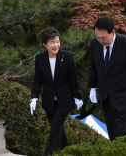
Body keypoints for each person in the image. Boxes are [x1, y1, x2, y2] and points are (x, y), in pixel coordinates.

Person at [88, 16, 126, 141]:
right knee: (111, 134)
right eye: (97, 37)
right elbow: (93, 67)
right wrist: (92, 87)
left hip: (125, 96)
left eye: (103, 37)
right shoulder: (95, 44)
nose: (100, 40)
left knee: (121, 135)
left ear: (113, 32)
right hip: (106, 96)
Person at [30, 26, 83, 156]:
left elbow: (73, 79)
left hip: (65, 100)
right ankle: (68, 151)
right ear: (45, 44)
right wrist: (34, 97)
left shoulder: (67, 56)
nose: (56, 45)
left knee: (55, 128)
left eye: (57, 41)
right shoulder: (40, 58)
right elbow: (38, 80)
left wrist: (78, 96)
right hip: (49, 101)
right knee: (58, 129)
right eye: (52, 42)